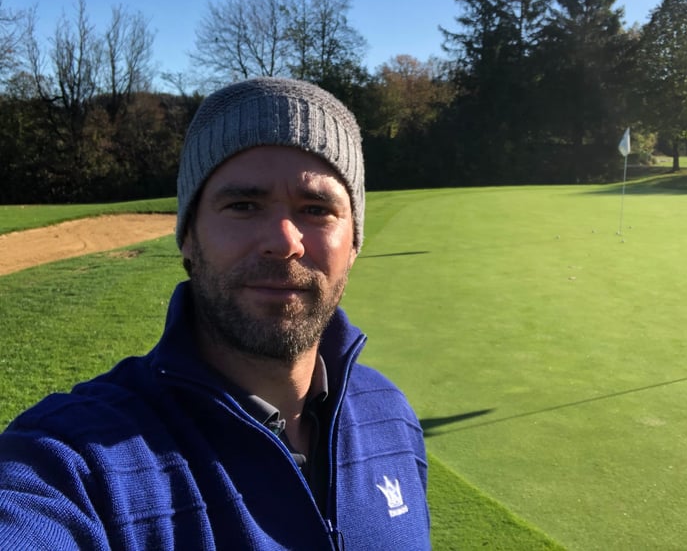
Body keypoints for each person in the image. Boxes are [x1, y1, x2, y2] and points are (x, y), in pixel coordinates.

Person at [0, 77, 430, 549]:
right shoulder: (75, 461)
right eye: (243, 205)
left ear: (353, 244)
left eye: (316, 209)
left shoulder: (391, 415)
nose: (284, 241)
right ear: (188, 235)